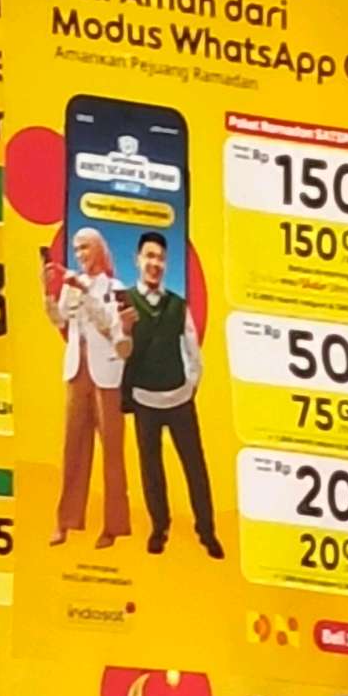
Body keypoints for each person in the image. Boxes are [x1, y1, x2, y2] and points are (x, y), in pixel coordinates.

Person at [121, 231, 221, 558]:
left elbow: (193, 349)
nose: (155, 263)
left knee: (195, 466)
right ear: (137, 260)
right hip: (144, 400)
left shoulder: (178, 305)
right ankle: (159, 527)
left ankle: (206, 530)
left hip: (179, 399)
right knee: (151, 469)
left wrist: (190, 385)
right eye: (149, 256)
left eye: (161, 258)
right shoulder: (123, 302)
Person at [45, 228, 130, 548]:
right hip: (77, 369)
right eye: (76, 249)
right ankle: (65, 521)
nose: (80, 255)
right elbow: (60, 320)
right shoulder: (72, 284)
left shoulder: (115, 288)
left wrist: (85, 290)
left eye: (85, 248)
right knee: (73, 448)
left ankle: (113, 526)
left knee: (112, 451)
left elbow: (111, 326)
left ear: (99, 250)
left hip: (106, 373)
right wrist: (48, 293)